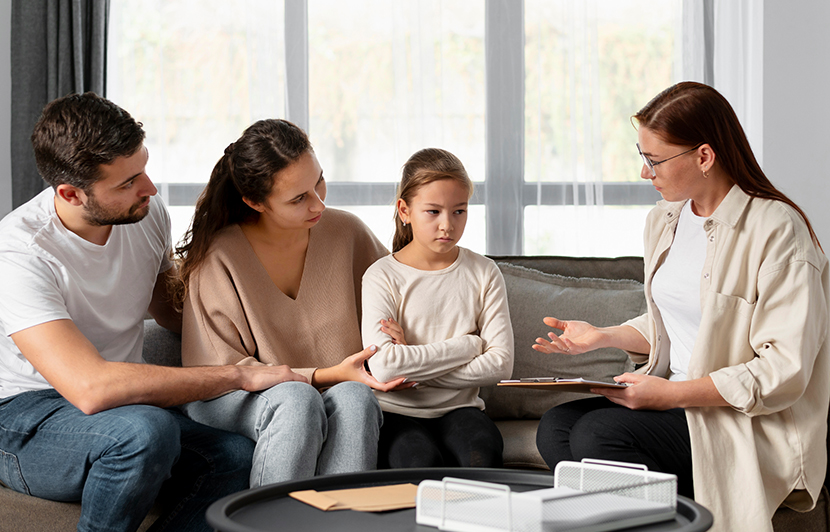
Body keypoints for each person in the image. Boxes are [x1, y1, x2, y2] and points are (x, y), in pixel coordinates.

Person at [0, 93, 305, 532]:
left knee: (234, 456)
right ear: (70, 193)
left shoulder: (144, 214)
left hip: (125, 408)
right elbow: (91, 388)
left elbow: (170, 310)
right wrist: (238, 374)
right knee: (146, 431)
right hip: (27, 419)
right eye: (126, 182)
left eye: (143, 168)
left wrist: (269, 327)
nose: (150, 189)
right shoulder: (20, 253)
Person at [533, 82, 829, 532]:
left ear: (704, 156)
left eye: (654, 160)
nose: (644, 173)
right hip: (677, 404)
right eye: (642, 157)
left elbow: (783, 371)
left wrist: (671, 394)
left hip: (738, 420)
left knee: (599, 434)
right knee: (555, 426)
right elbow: (677, 322)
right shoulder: (665, 219)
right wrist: (603, 336)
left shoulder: (777, 230)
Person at [176, 118, 406, 486]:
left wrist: (401, 333)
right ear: (255, 202)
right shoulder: (218, 258)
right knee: (298, 401)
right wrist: (324, 375)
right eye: (299, 198)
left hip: (332, 385)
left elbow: (400, 299)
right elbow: (227, 372)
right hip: (234, 392)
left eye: (318, 183)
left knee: (355, 399)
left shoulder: (346, 232)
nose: (318, 204)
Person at [361, 148, 514, 469]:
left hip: (461, 409)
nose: (448, 225)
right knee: (417, 461)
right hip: (395, 411)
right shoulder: (381, 276)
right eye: (433, 212)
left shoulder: (484, 272)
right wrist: (468, 346)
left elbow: (500, 365)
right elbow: (386, 368)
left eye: (459, 211)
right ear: (405, 210)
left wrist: (416, 366)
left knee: (480, 457)